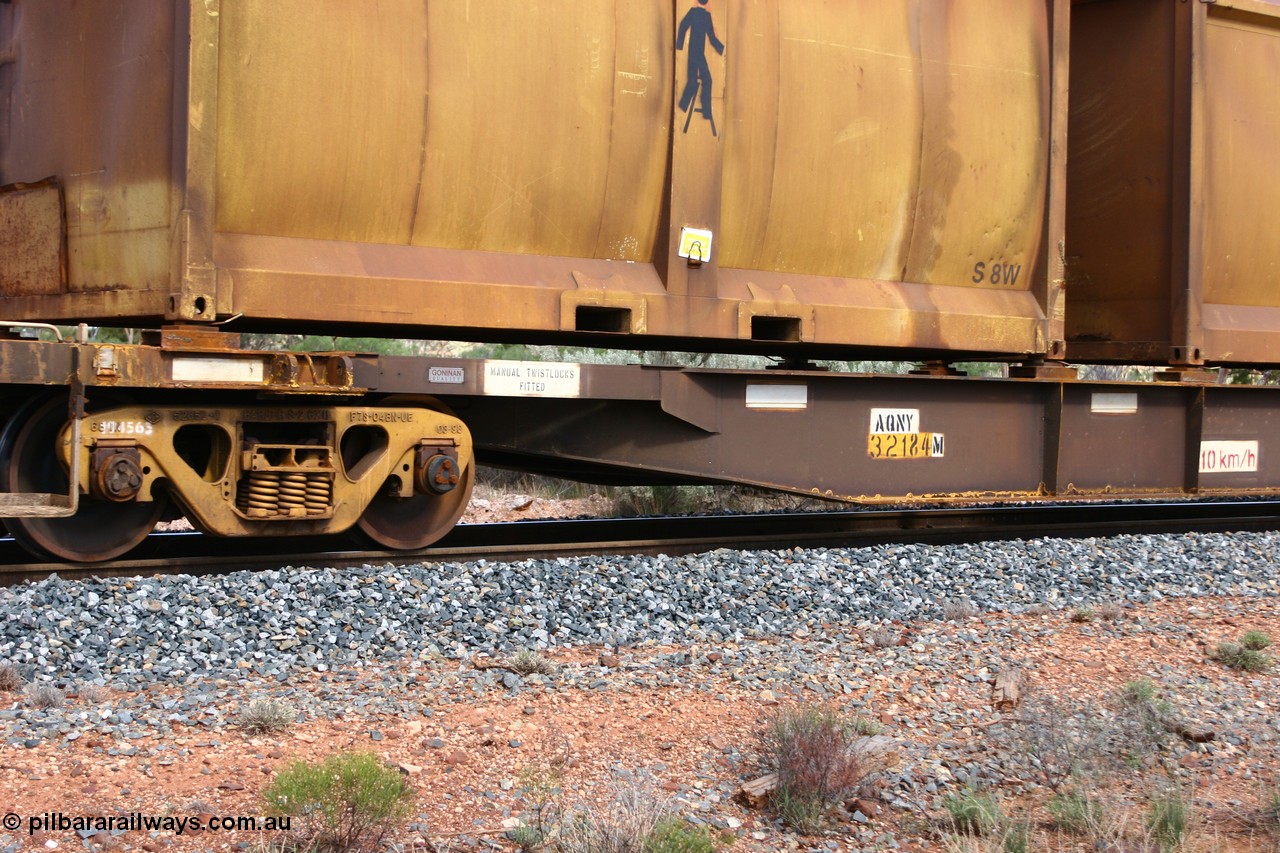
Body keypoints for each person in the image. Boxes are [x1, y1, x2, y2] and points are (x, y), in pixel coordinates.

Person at [676, 0, 724, 133]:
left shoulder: (693, 12)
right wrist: (721, 49)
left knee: (692, 81)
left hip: (693, 52)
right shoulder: (706, 16)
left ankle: (683, 105)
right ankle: (706, 111)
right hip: (699, 54)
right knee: (707, 80)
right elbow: (712, 37)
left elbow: (683, 25)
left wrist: (679, 45)